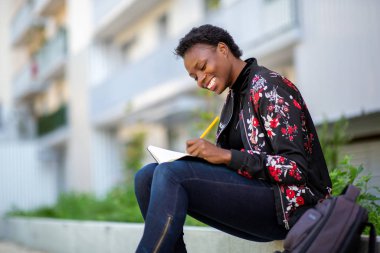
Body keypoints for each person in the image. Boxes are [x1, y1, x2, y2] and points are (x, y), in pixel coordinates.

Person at [134, 24, 332, 253]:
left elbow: (296, 168)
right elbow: (232, 169)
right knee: (146, 176)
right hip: (259, 201)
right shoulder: (233, 100)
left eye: (202, 67)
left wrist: (226, 156)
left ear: (222, 49)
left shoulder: (269, 86)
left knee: (170, 174)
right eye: (194, 76)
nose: (200, 80)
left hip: (293, 207)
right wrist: (203, 159)